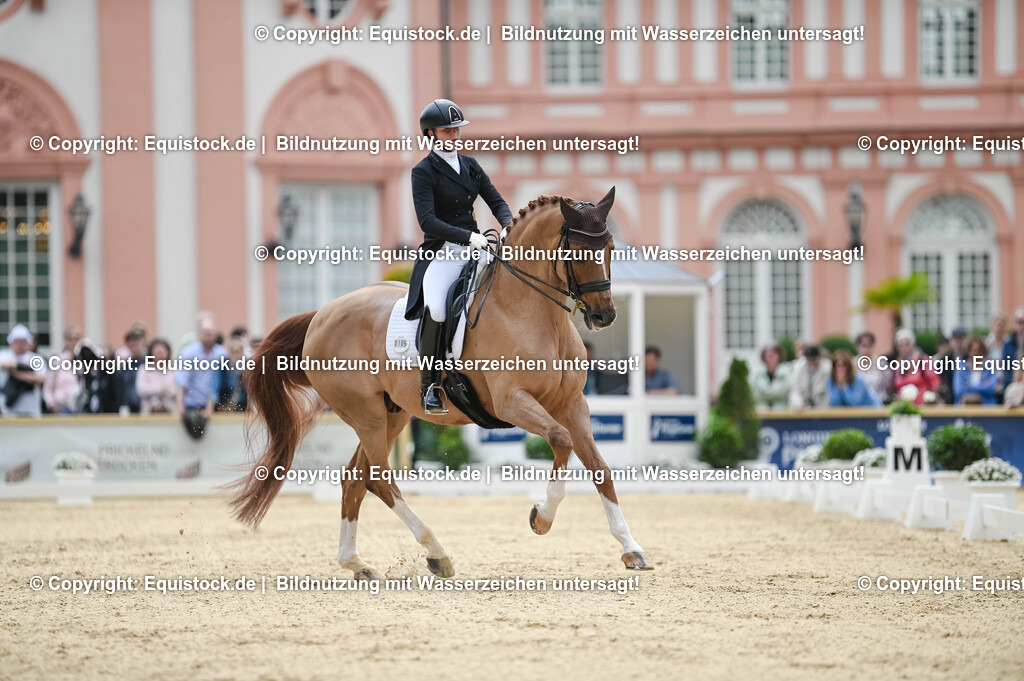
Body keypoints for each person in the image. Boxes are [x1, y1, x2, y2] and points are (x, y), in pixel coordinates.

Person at [405, 98, 513, 414]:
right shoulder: (422, 172)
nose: (453, 135)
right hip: (443, 252)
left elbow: (496, 200)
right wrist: (468, 236)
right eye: (446, 130)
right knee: (438, 309)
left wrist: (508, 225)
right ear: (431, 134)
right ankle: (430, 386)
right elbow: (427, 221)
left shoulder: (470, 165)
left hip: (476, 249)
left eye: (456, 130)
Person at [175, 316, 227, 438]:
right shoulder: (188, 353)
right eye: (206, 333)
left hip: (216, 406)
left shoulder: (222, 353)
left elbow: (220, 381)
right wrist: (180, 408)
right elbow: (181, 382)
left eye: (211, 333)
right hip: (192, 405)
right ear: (199, 334)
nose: (209, 336)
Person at [0, 324, 45, 417]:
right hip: (8, 409)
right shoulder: (3, 355)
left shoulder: (35, 358)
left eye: (22, 341)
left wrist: (16, 373)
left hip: (31, 408)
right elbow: (6, 364)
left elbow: (41, 378)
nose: (19, 344)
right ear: (11, 342)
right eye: (16, 341)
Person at [891, 328, 939, 405]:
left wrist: (929, 401)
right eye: (900, 344)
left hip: (923, 407)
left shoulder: (923, 360)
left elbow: (935, 384)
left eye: (907, 343)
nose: (903, 347)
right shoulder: (897, 364)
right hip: (903, 408)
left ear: (913, 344)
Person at [43, 325, 83, 414]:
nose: (74, 342)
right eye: (70, 339)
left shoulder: (86, 361)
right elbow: (48, 388)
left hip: (82, 408)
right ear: (65, 342)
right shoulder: (58, 362)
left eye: (76, 339)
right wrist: (52, 405)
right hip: (63, 408)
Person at [136, 338, 178, 414]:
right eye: (156, 349)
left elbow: (176, 390)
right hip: (148, 412)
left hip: (171, 411)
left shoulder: (174, 370)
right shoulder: (144, 369)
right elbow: (141, 390)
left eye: (163, 348)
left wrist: (153, 389)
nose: (160, 351)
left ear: (168, 352)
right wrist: (162, 388)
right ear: (151, 352)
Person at [954, 336, 999, 405]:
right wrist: (983, 387)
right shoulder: (960, 368)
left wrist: (968, 387)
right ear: (968, 351)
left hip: (987, 407)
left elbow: (993, 388)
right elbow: (958, 390)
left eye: (979, 350)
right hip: (963, 407)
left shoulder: (990, 368)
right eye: (974, 350)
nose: (976, 353)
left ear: (983, 352)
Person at [788, 344, 831, 410]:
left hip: (822, 408)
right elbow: (795, 390)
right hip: (803, 409)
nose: (811, 362)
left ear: (819, 357)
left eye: (813, 359)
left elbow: (828, 392)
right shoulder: (799, 367)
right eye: (809, 359)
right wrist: (799, 403)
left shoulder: (827, 369)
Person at [750, 341, 791, 410]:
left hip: (782, 412)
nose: (770, 355)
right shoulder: (756, 373)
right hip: (761, 412)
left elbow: (786, 392)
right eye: (767, 353)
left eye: (774, 352)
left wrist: (764, 393)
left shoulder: (788, 371)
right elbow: (753, 393)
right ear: (764, 356)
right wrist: (775, 393)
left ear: (779, 355)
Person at [855, 331, 892, 403]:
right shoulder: (853, 364)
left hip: (880, 403)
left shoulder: (881, 363)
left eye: (869, 346)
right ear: (858, 347)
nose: (866, 349)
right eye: (863, 345)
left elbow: (889, 385)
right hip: (859, 405)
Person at [935, 326, 968, 405]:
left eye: (961, 338)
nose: (958, 341)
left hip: (967, 400)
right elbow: (940, 382)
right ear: (951, 341)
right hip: (949, 401)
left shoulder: (970, 359)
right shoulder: (943, 361)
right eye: (955, 338)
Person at [217, 338, 248, 412]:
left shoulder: (247, 367)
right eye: (232, 352)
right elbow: (217, 384)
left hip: (242, 405)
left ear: (242, 353)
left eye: (237, 352)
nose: (235, 355)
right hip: (225, 405)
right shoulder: (223, 367)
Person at [1001, 306, 1024, 393]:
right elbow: (1006, 370)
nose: (1022, 326)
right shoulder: (1008, 345)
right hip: (1014, 387)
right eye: (1019, 322)